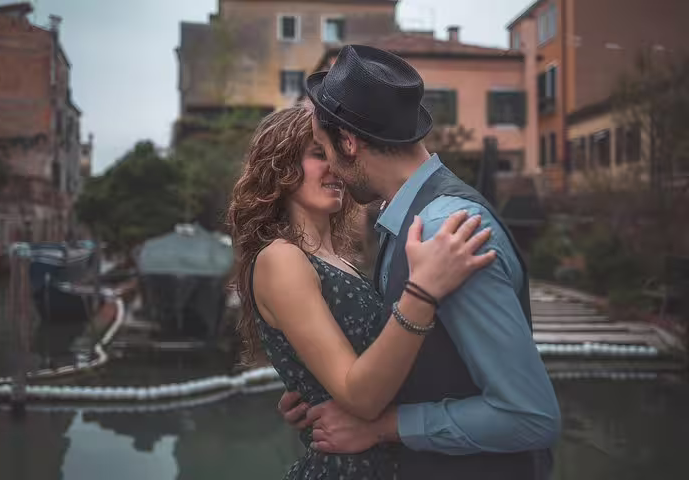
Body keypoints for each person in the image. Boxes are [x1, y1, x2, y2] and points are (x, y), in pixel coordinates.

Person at [277, 45, 562, 479]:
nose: (330, 166)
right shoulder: (407, 218)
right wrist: (324, 396)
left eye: (323, 149)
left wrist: (382, 426)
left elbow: (530, 416)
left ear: (349, 143)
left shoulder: (445, 228)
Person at [228, 105, 495, 479]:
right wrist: (423, 291)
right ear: (281, 168)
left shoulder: (337, 260)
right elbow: (362, 398)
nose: (335, 168)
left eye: (336, 155)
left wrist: (312, 389)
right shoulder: (281, 259)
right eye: (319, 154)